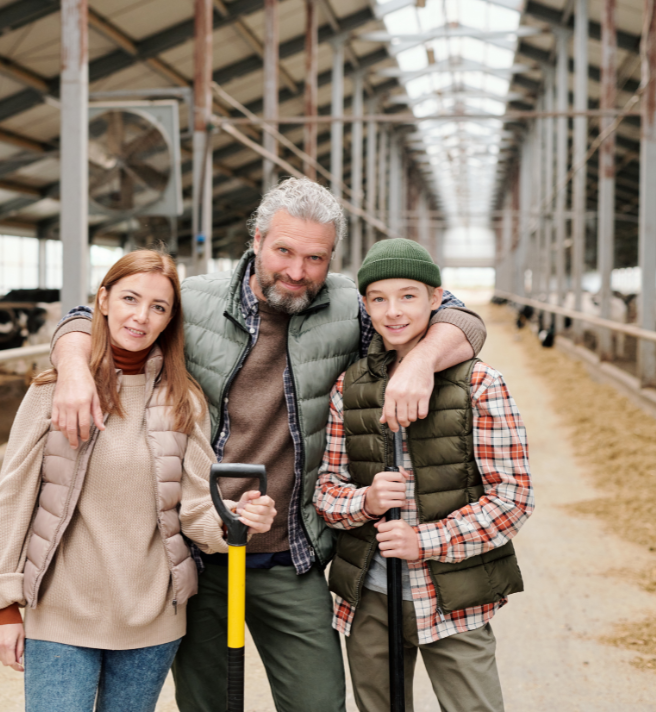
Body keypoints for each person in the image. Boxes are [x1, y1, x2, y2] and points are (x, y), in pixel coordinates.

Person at [44, 178, 488, 712]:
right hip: (198, 552)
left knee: (318, 701)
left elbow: (462, 317)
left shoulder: (352, 305)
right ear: (256, 240)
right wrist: (72, 366)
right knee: (206, 703)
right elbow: (92, 315)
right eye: (283, 250)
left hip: (290, 555)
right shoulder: (195, 303)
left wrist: (418, 362)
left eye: (315, 257)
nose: (297, 271)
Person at [0, 249, 277, 712]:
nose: (141, 317)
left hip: (152, 619)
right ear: (102, 300)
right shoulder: (53, 390)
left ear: (168, 321)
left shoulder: (185, 402)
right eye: (129, 298)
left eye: (158, 307)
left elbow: (197, 507)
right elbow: (14, 497)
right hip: (62, 612)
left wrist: (234, 521)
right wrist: (4, 604)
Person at [315, 238, 532, 712]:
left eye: (408, 295)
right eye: (378, 298)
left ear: (437, 299)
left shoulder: (481, 384)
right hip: (368, 593)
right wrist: (365, 502)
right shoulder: (348, 388)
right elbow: (326, 490)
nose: (393, 311)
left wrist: (424, 541)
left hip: (453, 596)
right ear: (365, 304)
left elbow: (513, 499)